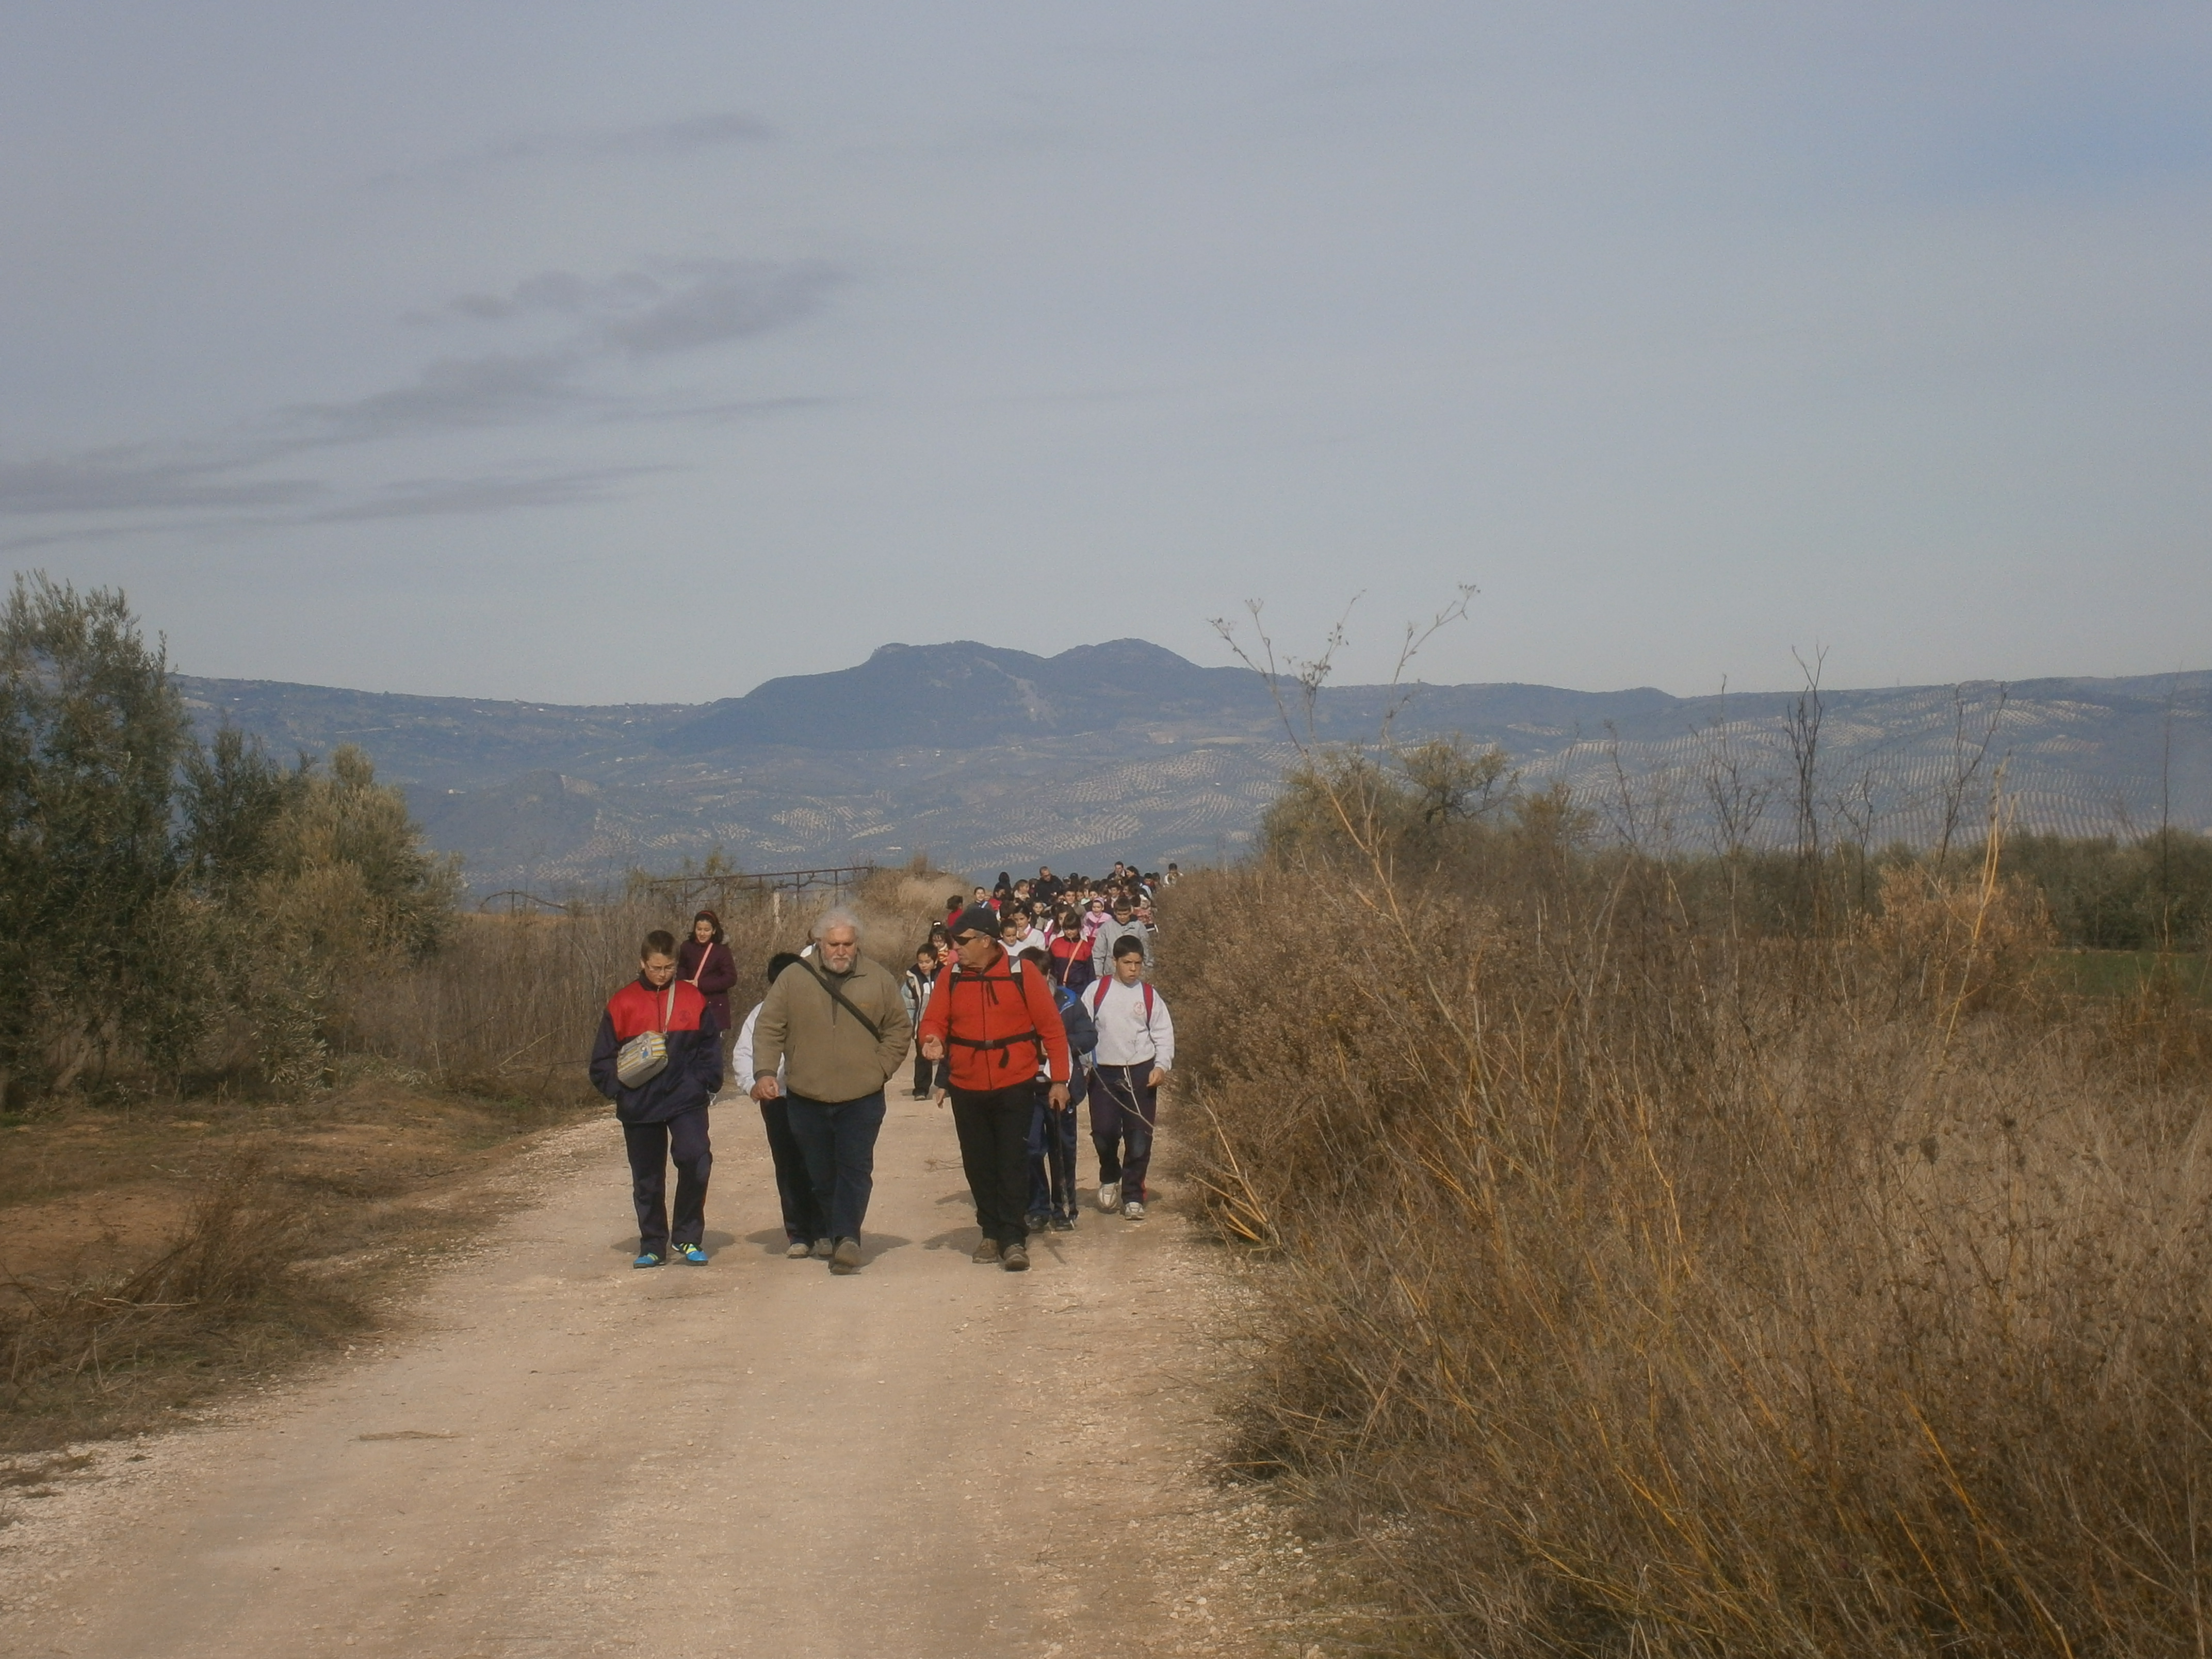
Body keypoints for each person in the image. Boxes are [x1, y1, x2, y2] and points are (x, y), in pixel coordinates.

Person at [750, 908, 913, 1275]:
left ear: (857, 944)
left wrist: (880, 1069)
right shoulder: (793, 979)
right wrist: (763, 1072)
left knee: (855, 1168)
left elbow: (899, 1031)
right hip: (807, 1096)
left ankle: (847, 1238)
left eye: (848, 944)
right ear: (819, 944)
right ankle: (836, 1229)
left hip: (863, 1096)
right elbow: (769, 1027)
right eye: (833, 944)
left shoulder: (879, 979)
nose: (841, 951)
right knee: (820, 1172)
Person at [917, 906, 1071, 1272]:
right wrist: (932, 1038)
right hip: (966, 1084)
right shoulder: (951, 976)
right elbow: (934, 1018)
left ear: (987, 941)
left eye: (963, 941)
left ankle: (1013, 1237)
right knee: (978, 1163)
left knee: (1013, 1161)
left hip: (1015, 1083)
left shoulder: (1024, 973)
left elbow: (1052, 1028)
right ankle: (989, 1231)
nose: (956, 949)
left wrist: (1060, 1079)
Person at [589, 930, 723, 1267]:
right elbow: (602, 1060)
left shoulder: (693, 999)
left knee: (696, 1161)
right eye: (655, 968)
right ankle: (652, 1244)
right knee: (647, 1177)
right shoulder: (623, 1003)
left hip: (685, 1099)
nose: (662, 975)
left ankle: (688, 1237)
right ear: (642, 963)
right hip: (640, 1103)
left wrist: (705, 1082)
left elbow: (710, 1047)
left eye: (668, 968)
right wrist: (619, 1090)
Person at [733, 951, 826, 1259]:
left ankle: (825, 1230)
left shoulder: (820, 1008)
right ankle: (799, 1233)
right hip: (779, 1102)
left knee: (820, 1163)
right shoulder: (760, 1015)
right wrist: (755, 1084)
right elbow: (744, 1054)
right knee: (788, 1167)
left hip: (816, 1097)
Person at [1084, 935, 1176, 1220]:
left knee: (1139, 1137)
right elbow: (1081, 1032)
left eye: (1138, 964)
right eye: (1127, 963)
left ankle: (1134, 1194)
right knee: (1104, 1134)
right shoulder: (1096, 992)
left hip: (1140, 1072)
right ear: (1115, 962)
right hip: (1104, 1073)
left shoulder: (1149, 996)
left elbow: (1163, 1034)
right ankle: (1110, 1175)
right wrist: (1083, 1065)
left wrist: (1160, 1066)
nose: (1133, 969)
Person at [1019, 947, 1095, 1233]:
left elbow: (1089, 1036)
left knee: (1062, 1151)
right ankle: (1037, 1207)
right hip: (1028, 1088)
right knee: (1031, 1149)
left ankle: (1064, 1208)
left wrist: (1057, 1044)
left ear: (1047, 974)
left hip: (1062, 1088)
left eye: (1035, 977)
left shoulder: (1068, 1001)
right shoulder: (1013, 1002)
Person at [677, 909, 738, 1060]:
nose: (702, 934)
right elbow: (681, 967)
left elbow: (730, 978)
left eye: (707, 930)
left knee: (711, 1051)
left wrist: (700, 984)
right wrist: (683, 982)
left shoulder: (721, 951)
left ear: (714, 931)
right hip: (690, 1005)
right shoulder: (686, 947)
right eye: (699, 929)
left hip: (714, 1008)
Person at [901, 943, 940, 1099]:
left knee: (947, 1057)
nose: (924, 965)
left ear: (935, 962)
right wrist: (910, 1024)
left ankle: (947, 1085)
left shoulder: (945, 975)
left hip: (942, 1024)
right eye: (921, 962)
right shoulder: (912, 980)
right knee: (923, 1058)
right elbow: (907, 1004)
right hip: (922, 1024)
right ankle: (921, 1089)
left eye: (928, 962)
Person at [1090, 893, 1155, 980]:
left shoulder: (1138, 927)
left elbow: (1147, 950)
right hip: (1112, 974)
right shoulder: (1107, 927)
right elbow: (1098, 953)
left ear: (1130, 912)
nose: (1122, 917)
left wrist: (1148, 971)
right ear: (1115, 913)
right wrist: (1098, 973)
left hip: (1135, 974)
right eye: (1119, 914)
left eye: (1125, 914)